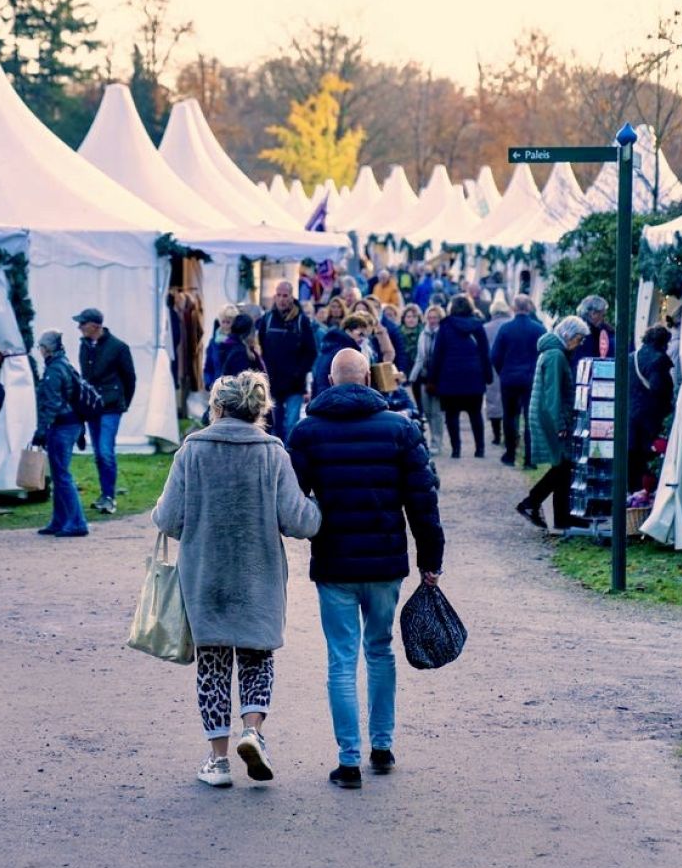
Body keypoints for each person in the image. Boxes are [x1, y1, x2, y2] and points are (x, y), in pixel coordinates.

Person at [151, 371, 322, 787]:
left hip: (205, 577)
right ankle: (252, 730)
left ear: (218, 406)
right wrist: (318, 506)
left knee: (211, 666)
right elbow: (299, 521)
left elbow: (168, 518)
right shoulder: (272, 453)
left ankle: (218, 760)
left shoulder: (192, 451)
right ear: (258, 410)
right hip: (257, 576)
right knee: (257, 658)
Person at [288, 348, 445, 790]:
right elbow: (423, 500)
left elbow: (293, 500)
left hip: (334, 560)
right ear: (370, 380)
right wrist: (430, 560)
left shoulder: (307, 432)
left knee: (341, 660)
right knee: (380, 650)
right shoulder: (399, 429)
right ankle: (383, 746)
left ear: (332, 380)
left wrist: (314, 519)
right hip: (385, 560)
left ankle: (349, 759)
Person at [517, 316, 590, 531]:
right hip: (551, 417)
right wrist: (560, 425)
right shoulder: (556, 356)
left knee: (562, 466)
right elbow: (553, 395)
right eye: (578, 338)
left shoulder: (553, 353)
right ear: (568, 335)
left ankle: (560, 516)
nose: (579, 344)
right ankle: (532, 503)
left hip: (547, 415)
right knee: (563, 466)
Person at [75, 307, 135, 516]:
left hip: (111, 406)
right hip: (94, 407)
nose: (80, 327)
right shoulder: (84, 346)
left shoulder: (118, 347)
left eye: (83, 323)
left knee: (105, 451)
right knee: (99, 454)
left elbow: (130, 378)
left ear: (95, 325)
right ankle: (105, 493)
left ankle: (109, 496)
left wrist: (123, 402)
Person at [32, 329, 88, 538]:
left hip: (61, 426)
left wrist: (41, 430)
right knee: (58, 474)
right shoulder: (65, 364)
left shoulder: (54, 370)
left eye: (41, 347)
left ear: (46, 348)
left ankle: (76, 522)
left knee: (62, 475)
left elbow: (52, 404)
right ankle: (59, 520)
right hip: (71, 424)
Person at [427, 294, 493, 458]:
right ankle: (480, 449)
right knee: (476, 414)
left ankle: (456, 450)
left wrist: (432, 380)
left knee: (451, 415)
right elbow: (485, 353)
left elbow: (438, 355)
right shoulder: (478, 326)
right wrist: (488, 376)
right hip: (474, 377)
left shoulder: (446, 326)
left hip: (450, 377)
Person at [255, 280, 318, 443]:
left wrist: (299, 372)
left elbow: (311, 351)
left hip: (294, 384)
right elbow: (261, 346)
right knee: (275, 424)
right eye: (279, 295)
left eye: (285, 295)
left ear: (292, 297)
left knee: (291, 424)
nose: (282, 299)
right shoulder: (267, 319)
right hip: (273, 382)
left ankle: (290, 457)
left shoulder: (301, 321)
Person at [490, 295, 548, 468]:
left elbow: (495, 355)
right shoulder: (539, 329)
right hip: (531, 378)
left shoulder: (505, 328)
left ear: (513, 308)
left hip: (509, 378)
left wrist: (503, 371)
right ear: (529, 308)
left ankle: (510, 454)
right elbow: (545, 354)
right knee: (530, 418)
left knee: (510, 416)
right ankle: (530, 459)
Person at [627, 323, 676, 492]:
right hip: (651, 417)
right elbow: (658, 387)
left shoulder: (632, 357)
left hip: (631, 415)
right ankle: (646, 496)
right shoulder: (659, 360)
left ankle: (632, 496)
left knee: (633, 458)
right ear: (664, 342)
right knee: (649, 457)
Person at [409, 304, 446, 453]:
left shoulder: (443, 334)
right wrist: (413, 376)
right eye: (430, 317)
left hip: (437, 377)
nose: (432, 320)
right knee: (426, 411)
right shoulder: (423, 334)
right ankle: (431, 440)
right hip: (424, 376)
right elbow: (420, 357)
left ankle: (437, 441)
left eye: (435, 317)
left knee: (436, 412)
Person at [312, 313, 371, 394]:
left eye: (364, 336)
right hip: (333, 397)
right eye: (360, 334)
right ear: (348, 331)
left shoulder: (332, 345)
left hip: (324, 396)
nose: (362, 338)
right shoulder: (344, 352)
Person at [483, 298, 512, 447]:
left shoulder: (486, 327)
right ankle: (510, 436)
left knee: (493, 401)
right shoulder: (511, 325)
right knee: (510, 403)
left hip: (492, 367)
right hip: (509, 366)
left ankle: (496, 435)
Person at [214, 313, 264, 379]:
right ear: (248, 333)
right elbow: (242, 384)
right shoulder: (241, 353)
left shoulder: (234, 347)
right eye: (253, 329)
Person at [202, 304, 239, 389]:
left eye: (228, 322)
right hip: (217, 388)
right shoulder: (214, 342)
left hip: (234, 390)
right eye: (223, 321)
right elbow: (208, 366)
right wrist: (209, 383)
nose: (225, 325)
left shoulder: (237, 342)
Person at [570, 295, 615, 365]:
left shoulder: (598, 330)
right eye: (602, 315)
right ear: (593, 314)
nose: (603, 319)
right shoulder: (584, 334)